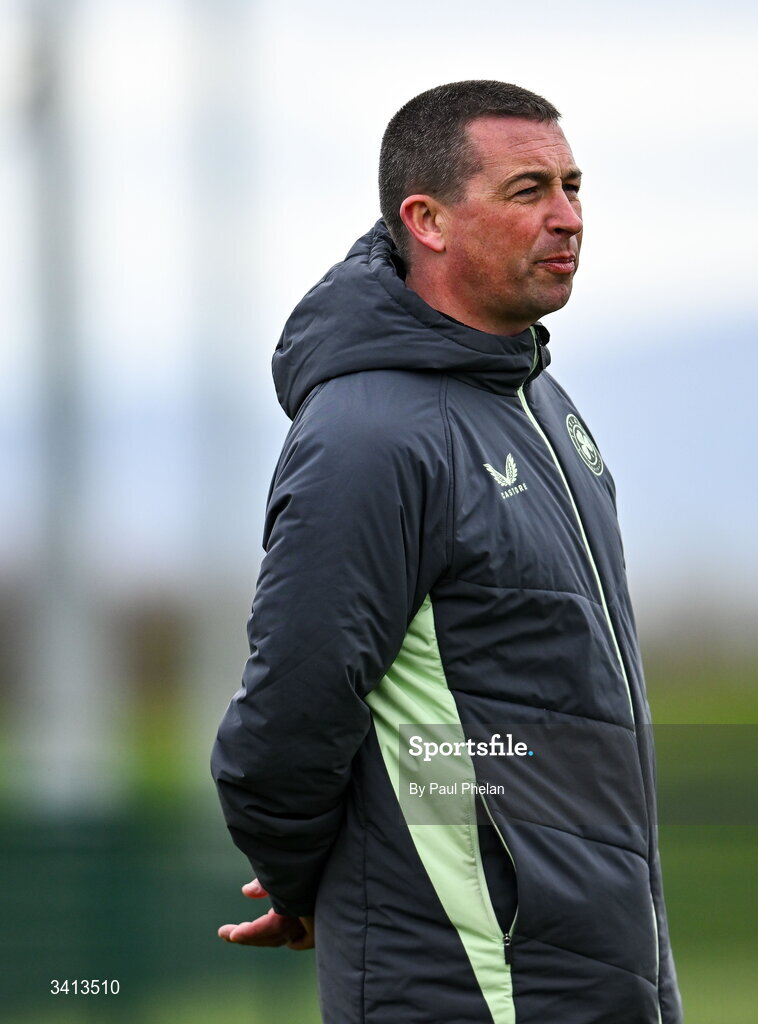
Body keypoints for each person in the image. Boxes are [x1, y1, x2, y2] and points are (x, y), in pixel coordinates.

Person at [212, 80, 682, 1024]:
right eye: (527, 191)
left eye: (573, 186)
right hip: (468, 976)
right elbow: (294, 701)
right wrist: (302, 876)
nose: (567, 218)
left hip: (598, 967)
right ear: (424, 219)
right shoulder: (370, 434)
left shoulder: (540, 404)